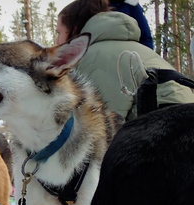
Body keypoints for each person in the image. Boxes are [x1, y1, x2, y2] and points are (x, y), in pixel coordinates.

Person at [56, 0, 194, 120]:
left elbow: (103, 128)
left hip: (166, 131)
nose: (56, 42)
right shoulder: (138, 50)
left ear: (74, 30)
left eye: (59, 33)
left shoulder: (94, 57)